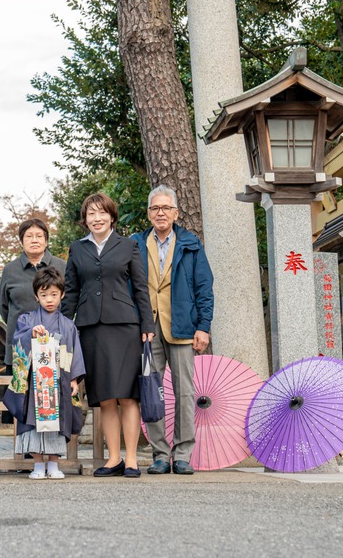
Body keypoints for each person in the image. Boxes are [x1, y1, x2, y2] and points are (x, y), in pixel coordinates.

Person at [61, 192, 154, 478]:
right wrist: (63, 327)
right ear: (85, 219)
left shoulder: (128, 246)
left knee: (127, 395)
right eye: (91, 214)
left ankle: (131, 459)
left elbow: (140, 287)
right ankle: (113, 459)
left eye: (102, 213)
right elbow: (71, 292)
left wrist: (147, 325)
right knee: (105, 398)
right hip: (91, 328)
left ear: (112, 216)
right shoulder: (77, 249)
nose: (96, 218)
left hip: (125, 327)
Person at [131, 185, 214, 476]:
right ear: (149, 213)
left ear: (176, 212)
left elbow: (204, 288)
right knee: (151, 390)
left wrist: (203, 326)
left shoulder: (190, 244)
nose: (161, 213)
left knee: (185, 392)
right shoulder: (137, 243)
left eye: (166, 208)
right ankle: (159, 453)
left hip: (182, 326)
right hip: (148, 329)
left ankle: (182, 454)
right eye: (155, 208)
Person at [5, 266, 86, 480]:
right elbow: (17, 341)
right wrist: (30, 333)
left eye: (53, 294)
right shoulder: (26, 320)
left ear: (62, 294)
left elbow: (75, 353)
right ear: (36, 296)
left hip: (58, 382)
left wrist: (75, 379)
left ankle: (54, 463)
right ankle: (38, 464)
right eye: (43, 295)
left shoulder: (69, 326)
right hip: (35, 384)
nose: (49, 299)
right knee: (33, 420)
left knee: (57, 421)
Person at [0, 218, 66, 367]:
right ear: (21, 242)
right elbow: (4, 308)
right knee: (20, 389)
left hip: (54, 342)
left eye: (39, 236)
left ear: (46, 241)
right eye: (29, 236)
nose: (34, 240)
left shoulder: (61, 266)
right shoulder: (10, 270)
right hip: (20, 344)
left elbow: (68, 303)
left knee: (52, 387)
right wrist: (22, 325)